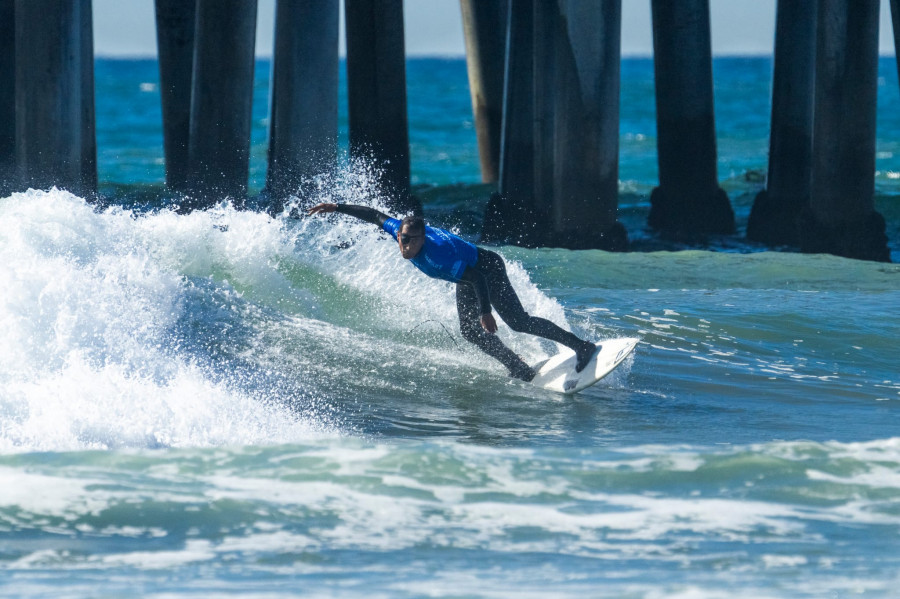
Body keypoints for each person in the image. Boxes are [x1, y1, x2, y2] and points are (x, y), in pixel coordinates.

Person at [307, 203, 597, 381]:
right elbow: (373, 215)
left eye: (409, 241)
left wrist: (486, 312)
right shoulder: (401, 231)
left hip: (486, 269)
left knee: (519, 322)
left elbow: (478, 277)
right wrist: (336, 207)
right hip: (468, 276)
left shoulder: (440, 253)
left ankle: (581, 346)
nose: (403, 245)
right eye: (401, 238)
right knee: (469, 332)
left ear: (422, 238)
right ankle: (517, 366)